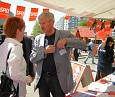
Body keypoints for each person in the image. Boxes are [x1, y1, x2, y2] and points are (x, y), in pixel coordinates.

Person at [30, 12, 87, 97]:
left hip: (58, 79)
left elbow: (83, 45)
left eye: (44, 23)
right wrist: (44, 51)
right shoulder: (38, 38)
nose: (41, 26)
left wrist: (67, 41)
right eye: (40, 23)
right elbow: (32, 58)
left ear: (52, 22)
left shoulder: (64, 34)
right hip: (42, 78)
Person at [0, 16, 33, 97]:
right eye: (23, 30)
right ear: (18, 31)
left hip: (4, 87)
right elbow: (15, 74)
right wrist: (29, 79)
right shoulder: (16, 48)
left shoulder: (3, 45)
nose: (23, 33)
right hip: (14, 90)